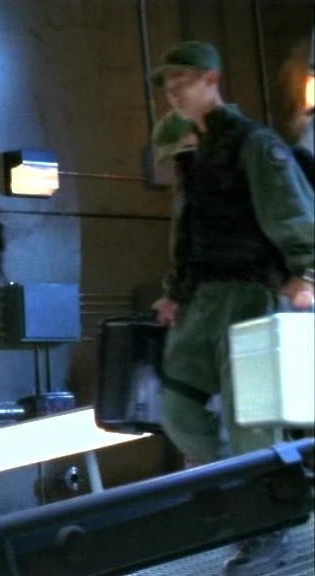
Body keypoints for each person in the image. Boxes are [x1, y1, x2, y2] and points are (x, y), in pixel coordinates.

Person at [149, 41, 315, 576]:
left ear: (211, 80)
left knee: (252, 422)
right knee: (177, 409)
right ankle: (262, 492)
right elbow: (187, 234)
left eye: (182, 82)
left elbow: (293, 213)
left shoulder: (253, 144)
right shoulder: (193, 155)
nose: (174, 93)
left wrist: (306, 274)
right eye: (168, 86)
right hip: (202, 302)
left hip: (249, 296)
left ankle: (266, 523)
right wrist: (174, 291)